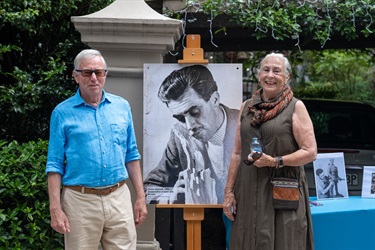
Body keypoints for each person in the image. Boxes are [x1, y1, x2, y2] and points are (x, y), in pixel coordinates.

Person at [45, 49, 147, 249]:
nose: (94, 78)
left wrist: (141, 198)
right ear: (75, 76)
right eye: (87, 72)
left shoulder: (122, 107)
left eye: (99, 72)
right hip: (79, 201)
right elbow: (54, 164)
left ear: (105, 75)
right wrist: (55, 209)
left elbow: (131, 154)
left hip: (119, 197)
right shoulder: (61, 113)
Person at [223, 53, 317, 250]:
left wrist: (275, 161)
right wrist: (229, 192)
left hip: (283, 189)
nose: (270, 75)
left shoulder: (295, 107)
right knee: (247, 240)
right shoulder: (247, 107)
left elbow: (310, 152)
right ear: (259, 75)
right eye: (266, 70)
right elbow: (237, 153)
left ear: (287, 77)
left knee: (284, 241)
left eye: (277, 71)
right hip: (249, 188)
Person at [143, 64, 239, 249]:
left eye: (194, 112)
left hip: (238, 223)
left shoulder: (243, 124)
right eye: (180, 118)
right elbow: (150, 186)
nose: (188, 126)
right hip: (200, 230)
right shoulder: (180, 135)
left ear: (215, 99)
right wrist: (173, 194)